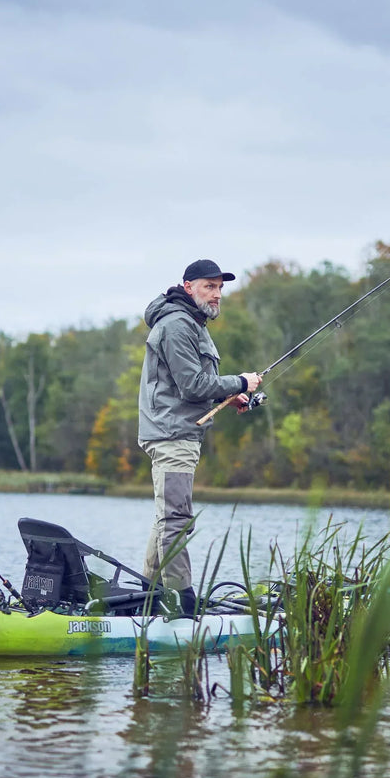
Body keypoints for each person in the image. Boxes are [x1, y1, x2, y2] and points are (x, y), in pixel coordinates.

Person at [137, 259, 262, 616]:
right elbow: (192, 385)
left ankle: (149, 594)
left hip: (176, 432)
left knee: (167, 517)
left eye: (220, 287)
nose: (217, 294)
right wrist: (240, 382)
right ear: (188, 287)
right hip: (172, 434)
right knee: (176, 519)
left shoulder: (191, 323)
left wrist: (229, 395)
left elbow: (190, 384)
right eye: (209, 286)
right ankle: (182, 600)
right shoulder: (178, 324)